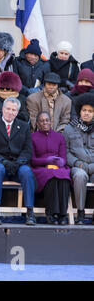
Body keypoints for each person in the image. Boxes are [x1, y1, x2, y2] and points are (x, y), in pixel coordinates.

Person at [0, 97, 36, 225]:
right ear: (2, 109)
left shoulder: (24, 126)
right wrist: (2, 161)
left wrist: (18, 162)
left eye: (13, 110)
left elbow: (28, 150)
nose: (10, 112)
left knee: (27, 171)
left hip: (18, 164)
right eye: (8, 109)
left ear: (17, 112)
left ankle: (30, 213)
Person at [31, 111, 71, 225]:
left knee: (64, 176)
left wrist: (60, 162)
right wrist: (46, 161)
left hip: (57, 166)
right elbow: (32, 160)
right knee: (51, 176)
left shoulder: (59, 137)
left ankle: (63, 215)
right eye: (42, 121)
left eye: (47, 120)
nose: (45, 123)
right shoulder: (32, 137)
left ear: (51, 122)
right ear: (37, 123)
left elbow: (63, 158)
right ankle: (51, 214)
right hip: (40, 168)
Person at [63, 93, 94, 225]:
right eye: (84, 110)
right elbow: (65, 151)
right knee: (80, 176)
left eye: (90, 111)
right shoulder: (70, 128)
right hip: (77, 167)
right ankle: (80, 212)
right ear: (79, 111)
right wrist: (77, 163)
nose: (86, 113)